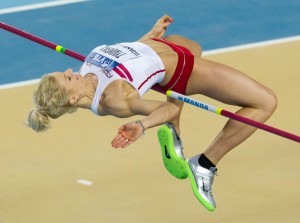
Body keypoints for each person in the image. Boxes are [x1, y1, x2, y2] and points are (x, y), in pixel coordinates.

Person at [26, 15, 277, 211]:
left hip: (163, 45)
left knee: (195, 46)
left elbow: (128, 56)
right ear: (73, 98)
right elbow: (164, 107)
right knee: (265, 102)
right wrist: (142, 125)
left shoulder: (87, 66)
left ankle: (175, 135)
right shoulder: (112, 100)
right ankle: (204, 163)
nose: (71, 69)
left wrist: (150, 35)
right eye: (67, 78)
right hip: (182, 70)